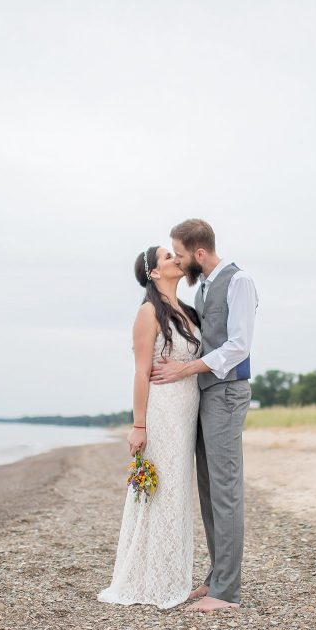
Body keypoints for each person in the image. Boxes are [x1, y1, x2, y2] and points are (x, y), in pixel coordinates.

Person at [152, 219, 258, 613]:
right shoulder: (209, 284)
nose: (178, 261)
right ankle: (217, 577)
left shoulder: (239, 281)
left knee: (226, 490)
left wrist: (184, 370)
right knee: (210, 490)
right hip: (206, 395)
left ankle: (227, 592)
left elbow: (239, 346)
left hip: (227, 393)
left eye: (179, 254)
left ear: (198, 253)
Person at [97, 246, 203, 609]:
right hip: (162, 413)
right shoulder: (148, 313)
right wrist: (138, 425)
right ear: (155, 273)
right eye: (168, 256)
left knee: (178, 492)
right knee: (162, 493)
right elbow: (141, 372)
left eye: (176, 254)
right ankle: (152, 581)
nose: (177, 258)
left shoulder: (187, 312)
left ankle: (173, 575)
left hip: (188, 412)